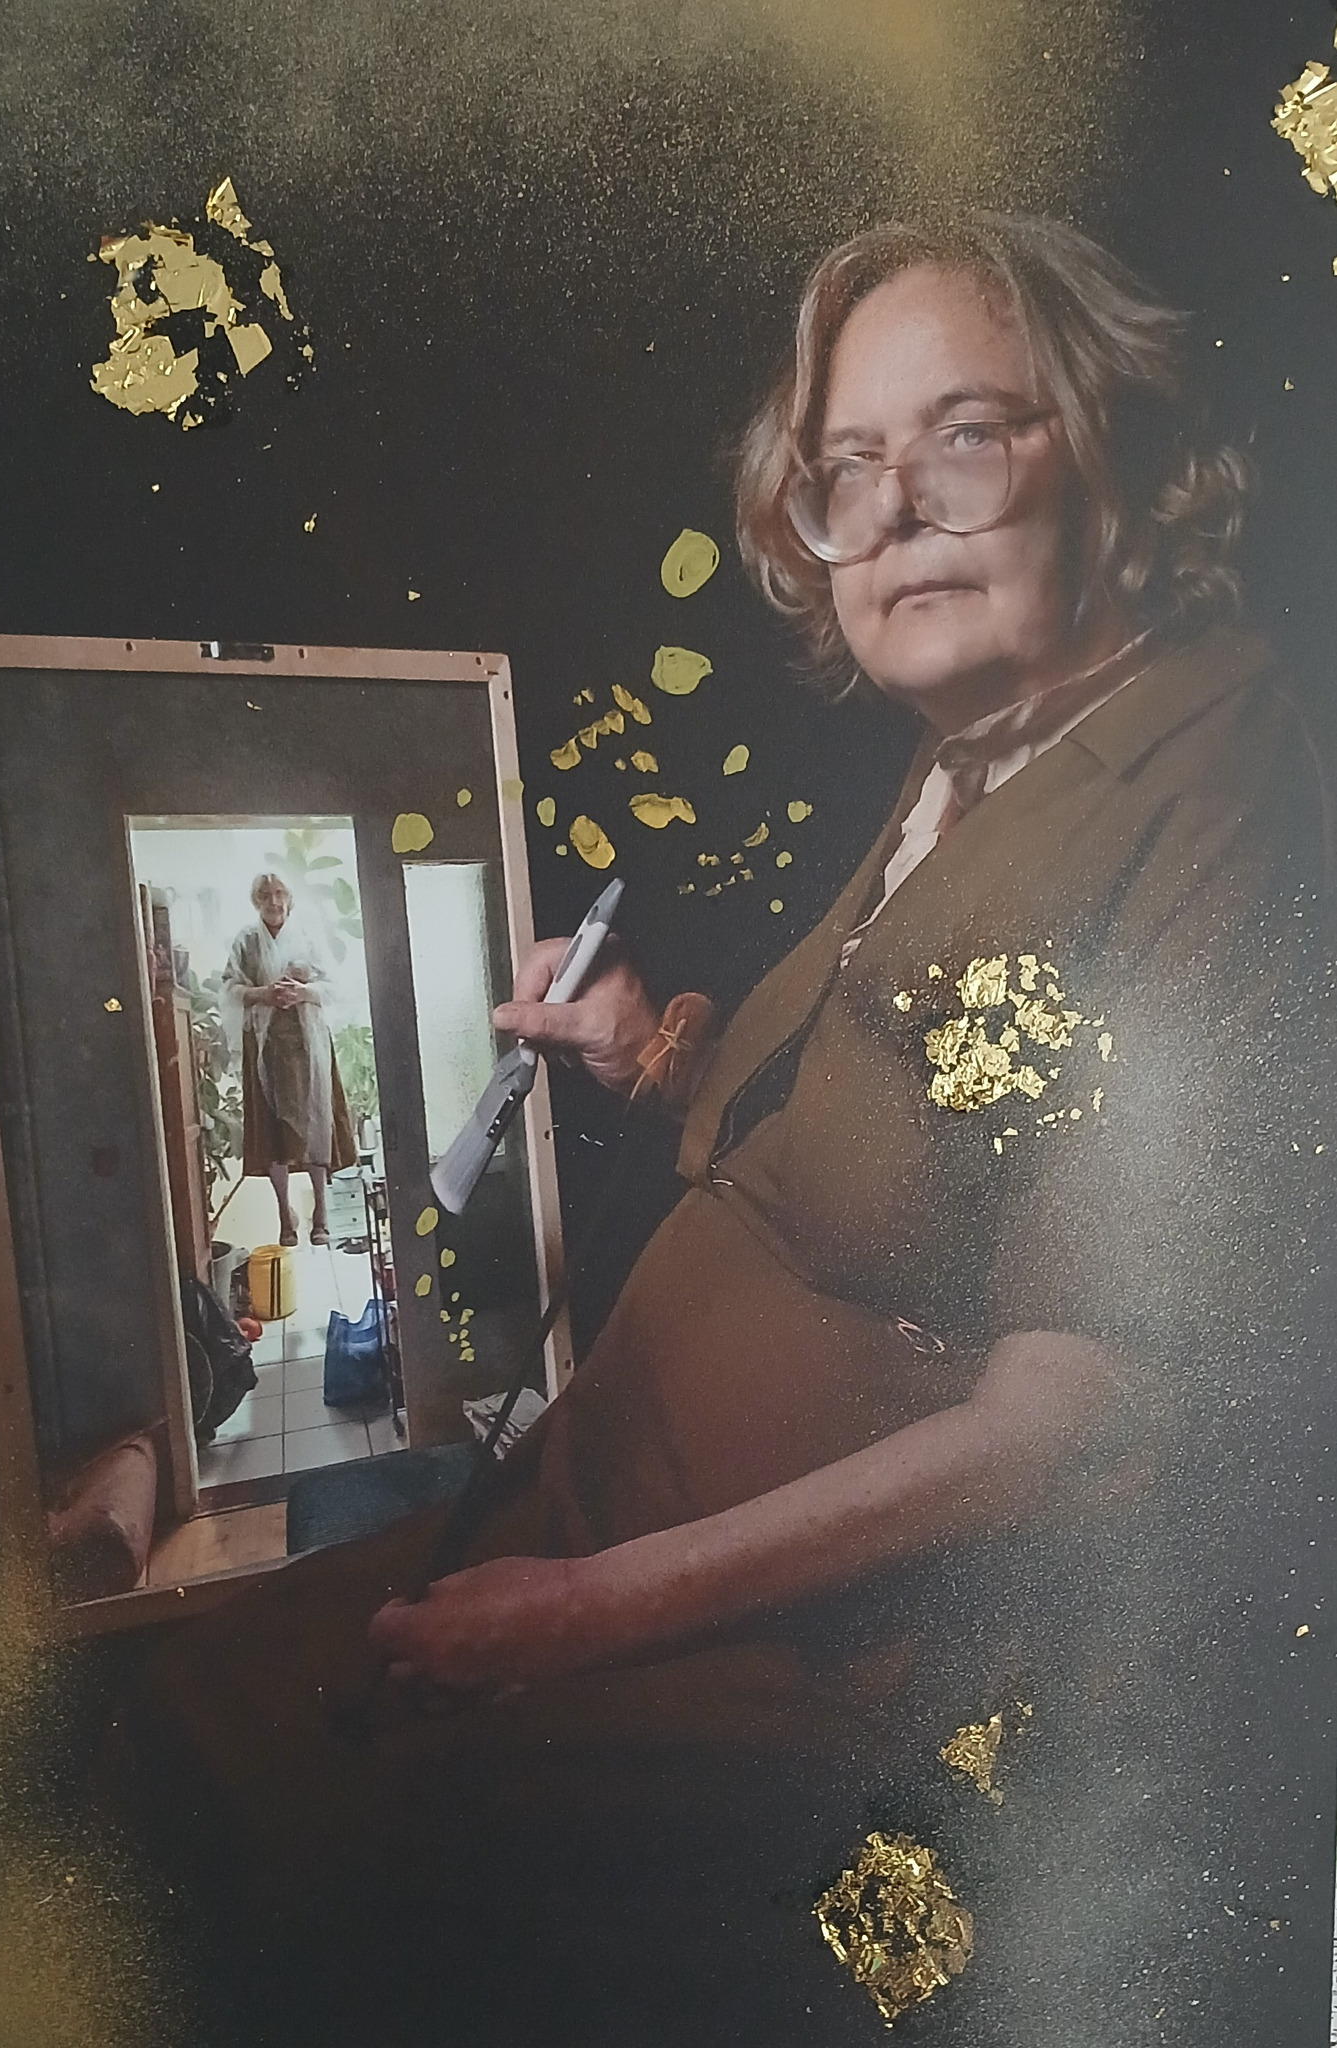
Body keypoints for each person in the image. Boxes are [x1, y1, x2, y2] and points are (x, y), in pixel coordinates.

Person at [106, 217, 1336, 2047]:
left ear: (1109, 445)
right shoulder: (986, 741)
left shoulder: (1222, 792)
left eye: (964, 436)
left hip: (822, 1679)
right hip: (601, 1511)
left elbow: (1091, 1426)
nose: (895, 513)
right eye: (851, 465)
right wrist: (648, 1046)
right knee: (169, 1717)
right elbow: (911, 1133)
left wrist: (579, 1616)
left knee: (262, 1842)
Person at [222, 872, 356, 1246]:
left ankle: (321, 1214)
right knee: (272, 1132)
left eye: (280, 893)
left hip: (307, 1045)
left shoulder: (308, 937)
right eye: (265, 894)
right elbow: (230, 988)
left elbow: (333, 986)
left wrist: (302, 992)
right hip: (265, 1047)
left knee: (315, 1121)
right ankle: (285, 1214)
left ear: (289, 899)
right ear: (256, 900)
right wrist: (264, 993)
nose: (274, 901)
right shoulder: (246, 941)